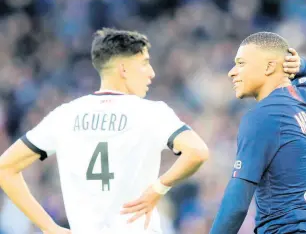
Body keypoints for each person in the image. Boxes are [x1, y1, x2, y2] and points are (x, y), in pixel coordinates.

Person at [0, 28, 210, 234]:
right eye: (145, 63)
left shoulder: (65, 115)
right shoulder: (152, 113)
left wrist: (49, 227)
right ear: (123, 69)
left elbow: (5, 167)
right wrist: (159, 188)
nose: (151, 72)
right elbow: (197, 151)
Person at [210, 32, 306, 234]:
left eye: (241, 63)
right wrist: (300, 64)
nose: (232, 72)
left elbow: (236, 205)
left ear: (270, 66)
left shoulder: (263, 115)